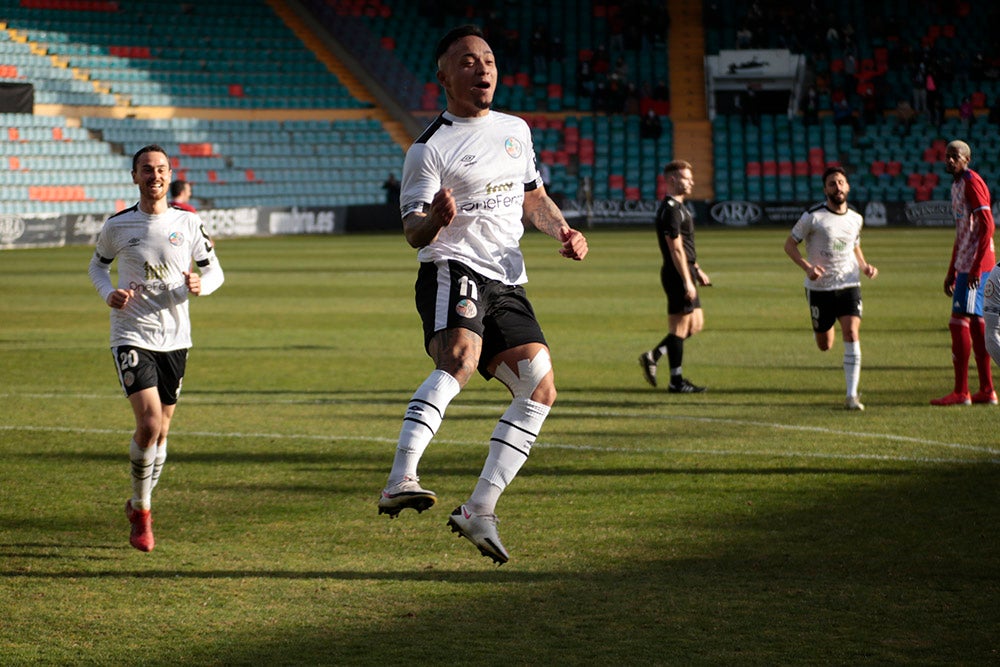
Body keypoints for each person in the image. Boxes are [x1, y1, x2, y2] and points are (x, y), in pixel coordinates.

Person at [376, 25, 588, 565]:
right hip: (453, 266)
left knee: (540, 388)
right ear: (443, 76)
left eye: (488, 59)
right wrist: (434, 220)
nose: (482, 68)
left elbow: (532, 196)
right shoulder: (429, 148)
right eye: (467, 61)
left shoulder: (516, 129)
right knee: (461, 358)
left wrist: (562, 229)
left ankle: (479, 509)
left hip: (507, 278)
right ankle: (401, 477)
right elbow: (412, 232)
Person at [88, 144, 224, 551]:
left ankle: (136, 501)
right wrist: (108, 293)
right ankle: (143, 512)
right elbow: (97, 264)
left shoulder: (188, 222)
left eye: (161, 169)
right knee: (148, 424)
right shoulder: (118, 225)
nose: (155, 176)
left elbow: (214, 270)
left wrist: (204, 284)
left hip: (176, 339)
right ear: (135, 177)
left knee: (162, 431)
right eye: (146, 170)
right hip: (132, 333)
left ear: (169, 175)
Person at [783, 166, 878, 410]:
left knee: (852, 333)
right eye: (832, 184)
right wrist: (807, 268)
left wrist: (865, 266)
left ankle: (851, 396)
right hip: (819, 288)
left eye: (841, 183)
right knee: (825, 344)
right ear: (825, 189)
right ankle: (826, 328)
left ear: (848, 187)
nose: (837, 187)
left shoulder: (856, 218)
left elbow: (854, 245)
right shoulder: (812, 217)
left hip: (849, 284)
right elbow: (789, 245)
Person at [931, 140, 996, 406]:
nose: (949, 160)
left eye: (954, 156)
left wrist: (976, 267)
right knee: (978, 324)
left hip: (975, 265)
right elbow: (963, 233)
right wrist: (952, 270)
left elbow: (988, 225)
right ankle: (987, 390)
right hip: (966, 264)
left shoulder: (972, 182)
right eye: (947, 156)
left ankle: (961, 392)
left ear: (967, 158)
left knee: (958, 321)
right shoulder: (957, 185)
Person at [638, 160, 710, 393]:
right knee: (679, 329)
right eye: (686, 178)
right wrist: (687, 280)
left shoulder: (680, 207)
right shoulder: (670, 209)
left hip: (686, 271)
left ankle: (654, 354)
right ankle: (676, 381)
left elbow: (686, 247)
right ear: (672, 179)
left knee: (696, 324)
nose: (691, 182)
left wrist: (696, 269)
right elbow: (675, 248)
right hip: (676, 274)